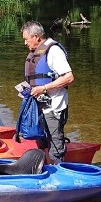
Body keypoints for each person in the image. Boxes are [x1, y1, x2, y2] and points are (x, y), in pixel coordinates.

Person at [21, 21, 75, 164]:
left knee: (55, 145)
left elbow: (69, 77)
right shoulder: (36, 52)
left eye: (26, 39)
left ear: (37, 37)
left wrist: (43, 88)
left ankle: (59, 175)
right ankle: (45, 170)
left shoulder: (53, 51)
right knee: (41, 141)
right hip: (38, 107)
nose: (25, 43)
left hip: (53, 107)